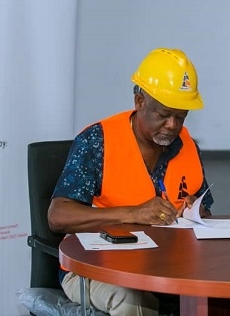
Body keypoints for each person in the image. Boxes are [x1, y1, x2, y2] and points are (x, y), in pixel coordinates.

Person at [48, 48, 214, 316]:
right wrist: (134, 213)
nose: (173, 125)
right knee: (133, 301)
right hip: (97, 269)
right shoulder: (97, 142)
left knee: (220, 295)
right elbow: (58, 216)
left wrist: (196, 210)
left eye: (181, 116)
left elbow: (204, 208)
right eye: (163, 114)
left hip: (168, 267)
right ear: (139, 102)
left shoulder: (187, 146)